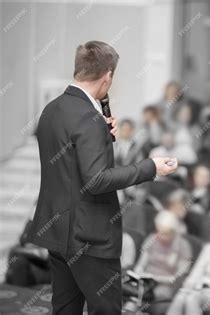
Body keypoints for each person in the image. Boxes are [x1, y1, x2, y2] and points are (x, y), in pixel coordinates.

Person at [27, 41, 178, 315]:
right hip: (90, 237)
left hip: (58, 230)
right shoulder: (89, 119)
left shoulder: (51, 110)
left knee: (64, 309)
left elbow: (70, 166)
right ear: (108, 75)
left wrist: (102, 138)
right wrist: (150, 168)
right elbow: (95, 180)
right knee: (106, 310)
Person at [133, 211, 193, 314]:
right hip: (145, 281)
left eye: (165, 233)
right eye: (159, 231)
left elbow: (177, 277)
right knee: (134, 296)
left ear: (174, 232)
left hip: (165, 285)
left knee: (142, 295)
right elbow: (141, 264)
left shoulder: (183, 246)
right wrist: (139, 272)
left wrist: (155, 278)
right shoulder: (152, 238)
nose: (160, 236)